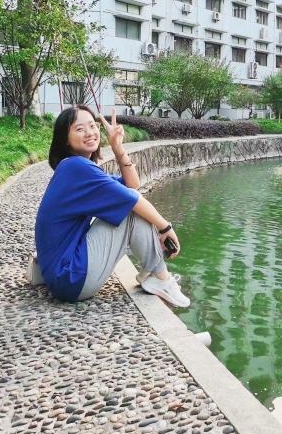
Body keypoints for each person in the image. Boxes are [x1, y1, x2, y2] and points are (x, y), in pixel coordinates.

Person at [35, 104, 189, 308]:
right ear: (65, 139)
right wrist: (165, 228)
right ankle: (161, 278)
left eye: (92, 126)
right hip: (70, 278)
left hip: (64, 276)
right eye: (80, 129)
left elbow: (132, 184)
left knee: (126, 203)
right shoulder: (75, 167)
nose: (89, 132)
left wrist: (118, 147)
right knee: (129, 210)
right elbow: (133, 197)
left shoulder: (76, 167)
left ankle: (154, 272)